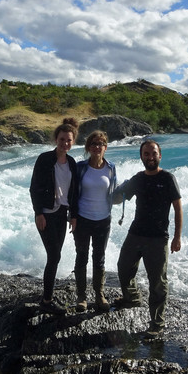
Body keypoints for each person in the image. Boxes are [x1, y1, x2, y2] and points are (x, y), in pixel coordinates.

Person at [113, 139, 182, 338]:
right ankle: (132, 298)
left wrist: (177, 237)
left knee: (157, 282)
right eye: (146, 154)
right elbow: (118, 198)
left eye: (153, 153)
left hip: (158, 238)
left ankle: (157, 323)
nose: (150, 157)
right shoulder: (138, 179)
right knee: (123, 268)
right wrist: (107, 192)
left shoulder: (168, 178)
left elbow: (178, 209)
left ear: (160, 156)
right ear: (141, 157)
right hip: (135, 234)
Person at [29, 118, 80, 315]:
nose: (65, 143)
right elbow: (34, 188)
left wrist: (73, 216)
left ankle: (47, 296)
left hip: (61, 214)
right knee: (54, 255)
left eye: (69, 140)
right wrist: (38, 213)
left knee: (55, 256)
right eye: (62, 139)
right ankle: (47, 300)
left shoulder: (72, 163)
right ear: (56, 139)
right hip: (46, 214)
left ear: (73, 141)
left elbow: (74, 192)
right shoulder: (44, 159)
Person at [72, 131, 118, 312]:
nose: (97, 147)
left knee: (99, 259)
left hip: (103, 220)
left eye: (100, 144)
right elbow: (73, 194)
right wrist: (72, 216)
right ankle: (81, 297)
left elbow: (113, 192)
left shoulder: (111, 168)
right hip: (82, 219)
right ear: (88, 148)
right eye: (93, 144)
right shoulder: (80, 167)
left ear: (105, 147)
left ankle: (99, 295)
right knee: (81, 257)